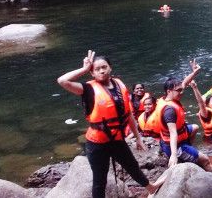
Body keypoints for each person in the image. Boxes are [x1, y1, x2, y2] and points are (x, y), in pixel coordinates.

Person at [57, 50, 160, 198]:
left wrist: (138, 138)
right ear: (92, 73)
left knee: (132, 166)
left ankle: (151, 188)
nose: (101, 71)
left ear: (110, 68)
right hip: (97, 144)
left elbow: (129, 114)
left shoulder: (119, 84)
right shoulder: (87, 89)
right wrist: (84, 69)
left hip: (117, 140)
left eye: (104, 67)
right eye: (97, 69)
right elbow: (62, 81)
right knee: (100, 180)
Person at [158, 60, 212, 171]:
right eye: (178, 91)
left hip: (178, 136)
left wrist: (195, 72)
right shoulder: (169, 110)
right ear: (169, 91)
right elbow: (172, 133)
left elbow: (184, 82)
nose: (182, 92)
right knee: (205, 160)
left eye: (181, 90)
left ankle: (190, 151)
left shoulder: (168, 97)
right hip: (174, 144)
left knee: (195, 127)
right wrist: (174, 155)